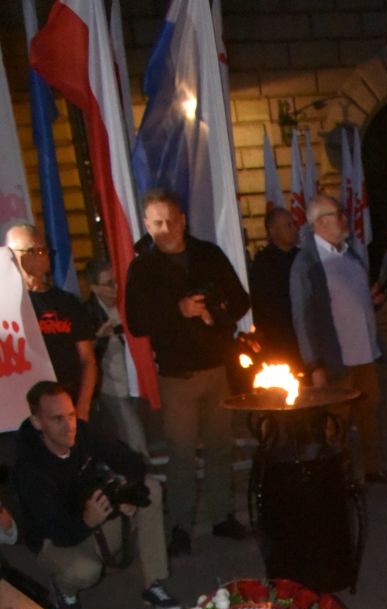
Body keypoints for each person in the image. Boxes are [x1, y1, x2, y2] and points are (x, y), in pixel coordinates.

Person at [124, 188, 250, 557]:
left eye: (170, 221)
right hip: (177, 374)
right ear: (147, 225)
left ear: (183, 220)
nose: (164, 230)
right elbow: (136, 322)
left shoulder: (208, 254)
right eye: (156, 223)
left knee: (220, 447)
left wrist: (214, 311)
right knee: (180, 454)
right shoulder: (144, 268)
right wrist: (177, 310)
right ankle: (180, 525)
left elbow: (240, 300)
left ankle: (222, 516)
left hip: (216, 368)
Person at [13, 381, 180, 609]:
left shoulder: (82, 432)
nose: (68, 426)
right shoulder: (30, 468)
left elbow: (130, 459)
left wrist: (129, 492)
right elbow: (57, 531)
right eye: (57, 419)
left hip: (90, 517)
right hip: (56, 540)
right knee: (86, 571)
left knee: (149, 489)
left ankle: (153, 582)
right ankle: (63, 587)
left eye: (71, 415)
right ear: (37, 422)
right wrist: (87, 521)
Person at [289, 195, 387, 485]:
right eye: (338, 214)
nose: (344, 218)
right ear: (320, 222)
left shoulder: (349, 255)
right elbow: (303, 317)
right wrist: (314, 365)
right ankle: (338, 476)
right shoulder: (307, 263)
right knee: (337, 420)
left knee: (369, 412)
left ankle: (373, 467)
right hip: (337, 358)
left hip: (365, 353)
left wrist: (371, 302)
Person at [6, 223, 97, 422]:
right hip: (23, 408)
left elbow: (87, 359)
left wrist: (83, 406)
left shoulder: (67, 302)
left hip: (67, 402)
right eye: (30, 251)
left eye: (43, 250)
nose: (40, 256)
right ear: (10, 256)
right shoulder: (6, 305)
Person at [82, 258, 149, 456]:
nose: (115, 288)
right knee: (133, 435)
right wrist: (98, 338)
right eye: (108, 284)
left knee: (141, 430)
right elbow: (83, 354)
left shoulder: (128, 304)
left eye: (117, 281)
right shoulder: (88, 313)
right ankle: (142, 467)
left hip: (139, 380)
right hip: (113, 386)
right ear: (94, 288)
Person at [249, 207, 302, 368]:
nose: (294, 229)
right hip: (280, 341)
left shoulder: (302, 257)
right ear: (273, 231)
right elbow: (267, 306)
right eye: (288, 225)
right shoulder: (264, 264)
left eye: (293, 224)